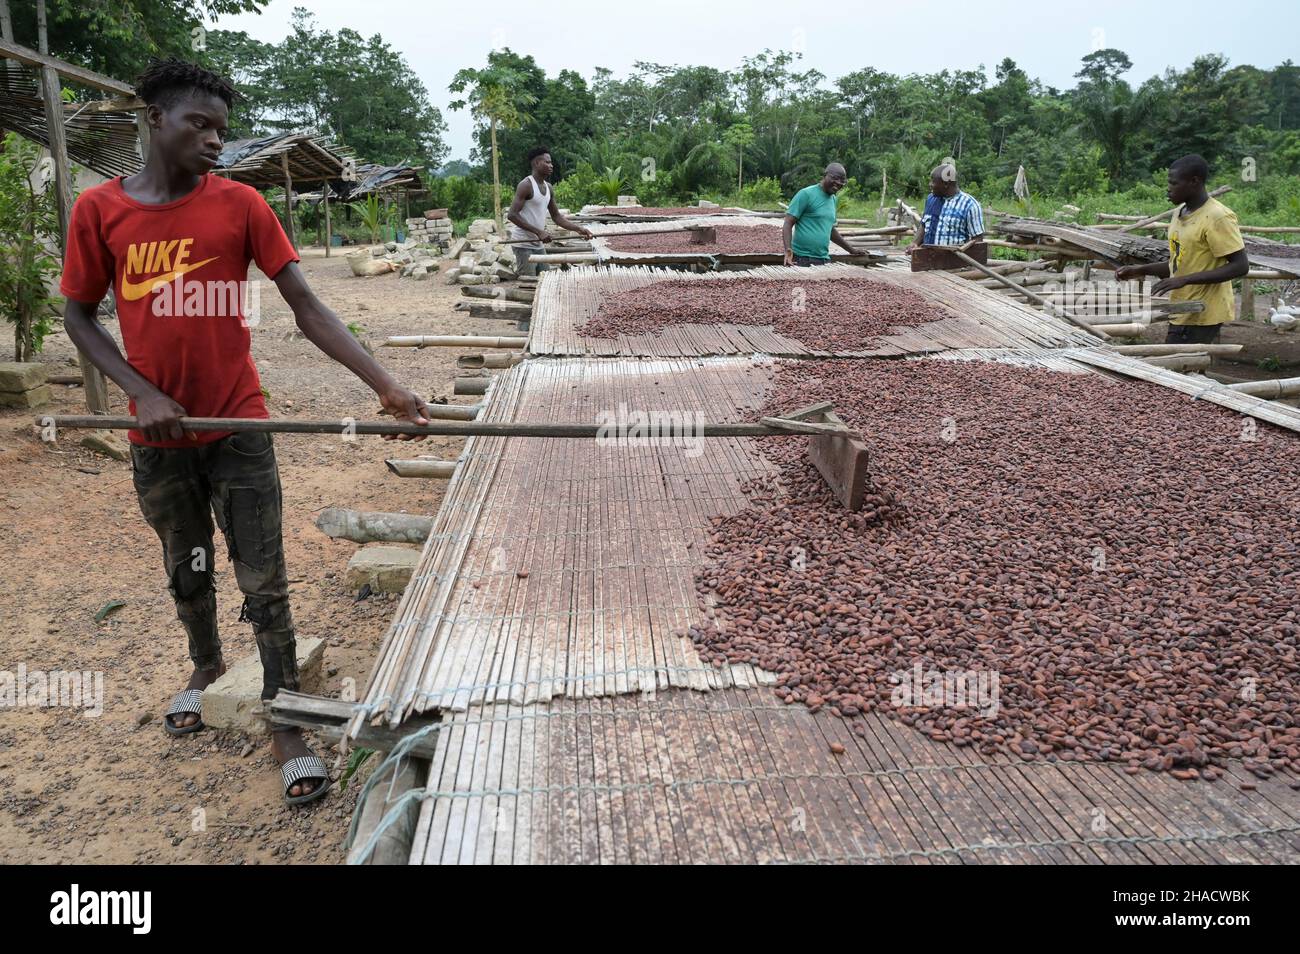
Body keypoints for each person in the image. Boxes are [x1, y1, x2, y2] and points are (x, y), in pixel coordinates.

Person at [58, 59, 432, 807]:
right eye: (200, 123)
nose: (214, 141)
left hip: (238, 424)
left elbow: (307, 306)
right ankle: (202, 666)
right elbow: (78, 314)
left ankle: (285, 715)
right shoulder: (100, 211)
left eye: (222, 130)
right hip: (156, 437)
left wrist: (384, 383)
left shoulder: (241, 206)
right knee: (186, 565)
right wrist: (141, 392)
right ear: (154, 118)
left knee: (264, 576)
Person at [1115, 154, 1248, 344]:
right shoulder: (1179, 213)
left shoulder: (1217, 217)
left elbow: (1240, 266)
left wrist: (1184, 280)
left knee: (1178, 365)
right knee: (1184, 367)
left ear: (1194, 182)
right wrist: (1139, 270)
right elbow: (1180, 262)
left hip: (1204, 309)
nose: (1168, 189)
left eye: (1174, 183)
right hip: (1182, 305)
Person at [505, 147, 593, 276]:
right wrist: (539, 232)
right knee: (528, 283)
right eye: (547, 162)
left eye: (551, 162)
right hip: (523, 243)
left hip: (538, 245)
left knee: (545, 279)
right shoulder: (526, 185)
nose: (551, 165)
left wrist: (578, 229)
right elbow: (512, 215)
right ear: (536, 163)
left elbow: (556, 217)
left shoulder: (549, 187)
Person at [782, 163, 858, 266]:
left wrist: (852, 250)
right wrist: (788, 249)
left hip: (823, 259)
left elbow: (829, 229)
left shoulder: (833, 199)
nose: (838, 184)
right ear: (825, 175)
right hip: (802, 259)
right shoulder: (806, 194)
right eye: (834, 179)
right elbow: (788, 223)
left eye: (842, 182)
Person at [908, 163, 985, 252]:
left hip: (954, 262)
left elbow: (977, 240)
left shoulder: (969, 205)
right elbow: (924, 225)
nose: (930, 184)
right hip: (927, 259)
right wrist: (915, 243)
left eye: (933, 181)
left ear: (945, 184)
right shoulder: (931, 199)